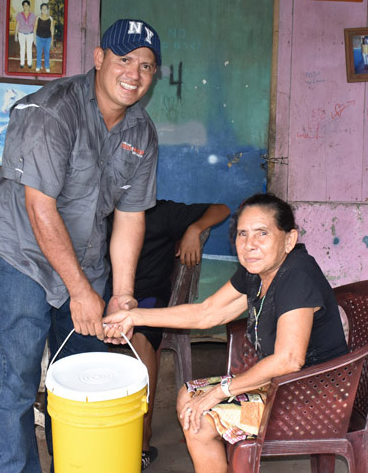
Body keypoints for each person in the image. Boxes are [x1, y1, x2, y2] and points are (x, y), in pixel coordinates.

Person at [0, 18, 161, 473]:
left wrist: (120, 294)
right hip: (25, 254)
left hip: (84, 253)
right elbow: (41, 210)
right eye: (124, 59)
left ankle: (77, 464)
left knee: (82, 373)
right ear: (99, 59)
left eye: (146, 65)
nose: (134, 74)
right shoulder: (51, 112)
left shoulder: (141, 132)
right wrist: (80, 293)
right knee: (18, 375)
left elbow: (130, 216)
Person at [104, 193, 349, 473]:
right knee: (189, 395)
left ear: (289, 239)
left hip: (315, 398)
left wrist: (219, 393)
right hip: (282, 387)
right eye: (242, 234)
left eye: (262, 233)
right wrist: (133, 316)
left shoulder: (297, 274)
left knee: (203, 421)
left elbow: (289, 360)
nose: (249, 245)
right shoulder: (257, 272)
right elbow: (206, 312)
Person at [122, 200, 230, 469]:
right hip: (106, 294)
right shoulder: (100, 210)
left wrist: (195, 227)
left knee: (141, 338)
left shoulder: (161, 211)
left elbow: (221, 209)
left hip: (148, 296)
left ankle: (142, 437)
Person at [15, 0, 36, 69]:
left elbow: (34, 27)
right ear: (23, 6)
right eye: (24, 5)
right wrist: (16, 35)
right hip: (21, 34)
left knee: (29, 49)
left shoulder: (33, 15)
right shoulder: (19, 15)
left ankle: (29, 63)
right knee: (22, 49)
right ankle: (22, 63)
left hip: (30, 34)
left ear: (29, 6)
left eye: (27, 5)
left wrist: (35, 36)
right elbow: (17, 25)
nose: (26, 6)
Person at [33, 3, 55, 73]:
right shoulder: (38, 18)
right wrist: (34, 39)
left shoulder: (50, 19)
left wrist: (52, 39)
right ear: (41, 10)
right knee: (39, 53)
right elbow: (35, 28)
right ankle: (38, 66)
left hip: (48, 39)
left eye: (45, 9)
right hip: (39, 38)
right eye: (43, 9)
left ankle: (47, 66)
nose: (44, 10)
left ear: (47, 10)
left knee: (47, 53)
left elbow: (52, 30)